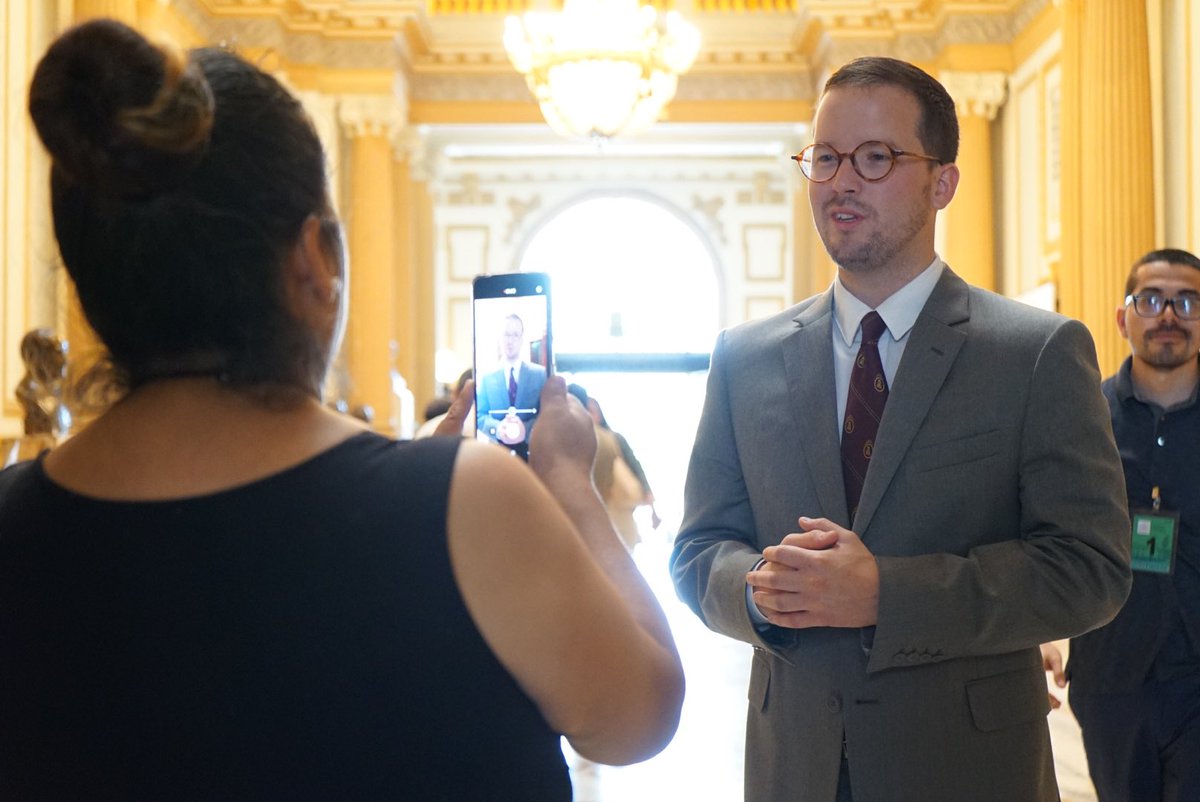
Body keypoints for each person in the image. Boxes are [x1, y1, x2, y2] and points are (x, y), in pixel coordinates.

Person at [0, 19, 683, 801]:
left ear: (92, 283)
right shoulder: (473, 500)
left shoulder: (12, 521)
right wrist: (564, 480)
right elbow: (642, 714)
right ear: (317, 260)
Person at [668, 55, 1131, 802]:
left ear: (941, 182)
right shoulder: (744, 358)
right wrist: (757, 594)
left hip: (970, 770)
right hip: (795, 766)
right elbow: (697, 551)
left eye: (875, 157)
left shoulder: (1035, 353)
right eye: (824, 157)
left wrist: (888, 592)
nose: (841, 180)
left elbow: (1090, 568)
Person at [1041, 248, 1200, 802]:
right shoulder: (1083, 418)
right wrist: (1031, 634)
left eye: (1188, 301)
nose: (1169, 314)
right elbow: (1043, 525)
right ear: (1122, 317)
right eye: (1151, 299)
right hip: (1111, 674)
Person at [476, 313, 547, 445]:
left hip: (531, 452)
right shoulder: (486, 377)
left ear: (522, 339)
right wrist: (497, 428)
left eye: (515, 335)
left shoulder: (540, 374)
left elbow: (547, 414)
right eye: (506, 334)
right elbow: (479, 415)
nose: (510, 341)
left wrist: (526, 429)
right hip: (497, 454)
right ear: (499, 338)